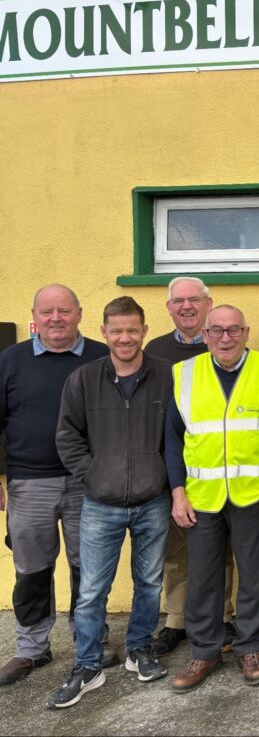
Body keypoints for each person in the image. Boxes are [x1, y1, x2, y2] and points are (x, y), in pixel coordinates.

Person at [47, 297, 172, 708]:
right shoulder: (84, 380)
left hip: (152, 500)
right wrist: (93, 474)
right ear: (103, 332)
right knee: (92, 589)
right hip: (100, 503)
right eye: (116, 330)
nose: (124, 338)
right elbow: (67, 436)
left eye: (132, 330)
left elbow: (178, 434)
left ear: (144, 331)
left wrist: (167, 480)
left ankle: (140, 649)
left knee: (150, 584)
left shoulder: (165, 377)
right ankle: (87, 665)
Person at [165, 305, 259, 691]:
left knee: (253, 575)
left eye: (233, 329)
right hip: (201, 497)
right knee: (203, 577)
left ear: (246, 331)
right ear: (205, 335)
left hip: (254, 492)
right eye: (216, 330)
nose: (225, 337)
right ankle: (204, 651)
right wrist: (177, 491)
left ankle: (250, 647)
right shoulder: (184, 374)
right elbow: (171, 438)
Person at [0, 285, 110, 686]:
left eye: (64, 311)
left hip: (88, 484)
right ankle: (31, 648)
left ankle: (91, 643)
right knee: (32, 570)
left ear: (80, 313)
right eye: (47, 312)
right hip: (30, 483)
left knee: (89, 568)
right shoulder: (10, 361)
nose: (56, 318)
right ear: (35, 315)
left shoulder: (102, 357)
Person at [144, 276, 236, 658]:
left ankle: (225, 617)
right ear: (168, 307)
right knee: (177, 549)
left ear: (208, 303)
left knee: (224, 549)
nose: (186, 307)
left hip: (221, 470)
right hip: (174, 467)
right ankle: (177, 620)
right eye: (178, 301)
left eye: (194, 300)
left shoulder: (226, 344)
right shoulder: (156, 350)